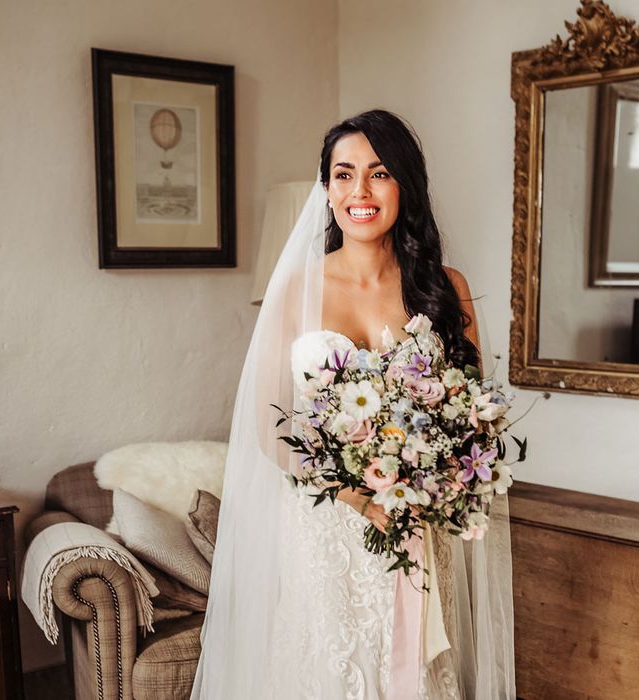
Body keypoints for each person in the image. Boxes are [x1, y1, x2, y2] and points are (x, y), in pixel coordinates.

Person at [191, 110, 515, 699]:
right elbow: (268, 425)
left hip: (414, 525)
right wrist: (354, 495)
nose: (359, 192)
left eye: (379, 173)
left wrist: (431, 476)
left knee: (413, 672)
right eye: (343, 174)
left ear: (404, 187)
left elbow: (476, 418)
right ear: (327, 189)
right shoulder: (295, 288)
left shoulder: (447, 287)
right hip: (324, 531)